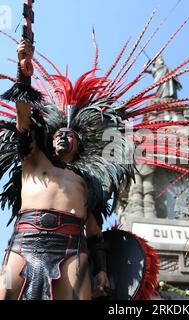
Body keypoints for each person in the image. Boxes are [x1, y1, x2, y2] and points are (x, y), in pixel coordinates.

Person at [0, 39, 133, 300]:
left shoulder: (88, 182)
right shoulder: (34, 159)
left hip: (71, 245)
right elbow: (23, 119)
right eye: (58, 134)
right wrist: (24, 75)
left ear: (80, 143)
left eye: (68, 135)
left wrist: (101, 271)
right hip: (25, 239)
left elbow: (94, 235)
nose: (61, 137)